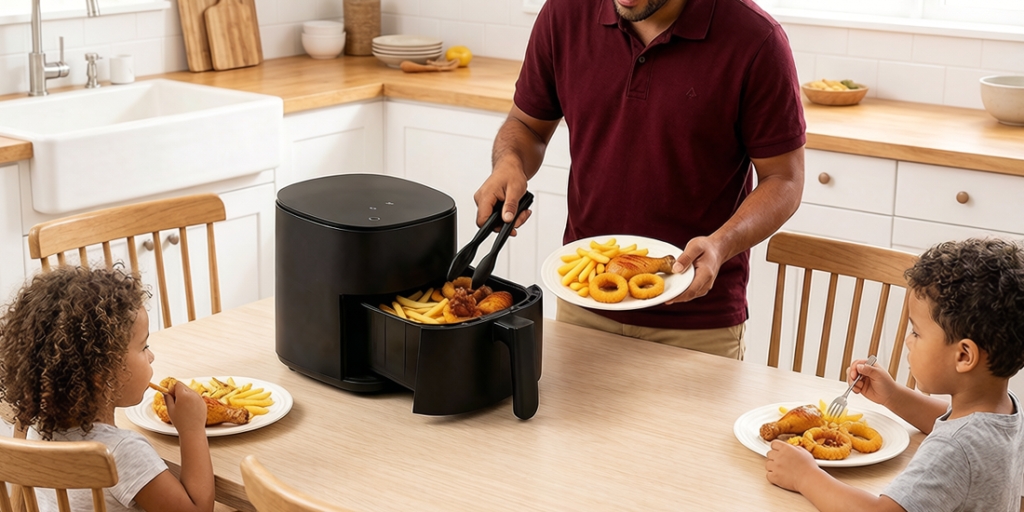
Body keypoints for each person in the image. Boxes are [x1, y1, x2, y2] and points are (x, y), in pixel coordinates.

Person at [472, 0, 806, 359]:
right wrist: (509, 163)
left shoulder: (756, 38)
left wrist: (722, 244)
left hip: (697, 322)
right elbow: (527, 125)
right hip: (583, 301)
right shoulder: (563, 13)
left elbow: (784, 178)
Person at [765, 238, 1024, 512]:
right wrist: (893, 397)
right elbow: (949, 419)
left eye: (916, 332)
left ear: (963, 356)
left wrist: (805, 476)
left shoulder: (951, 450)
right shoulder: (1005, 411)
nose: (907, 340)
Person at [0, 266, 215, 512]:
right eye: (144, 347)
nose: (152, 356)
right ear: (103, 373)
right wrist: (191, 429)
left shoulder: (36, 431)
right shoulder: (122, 453)